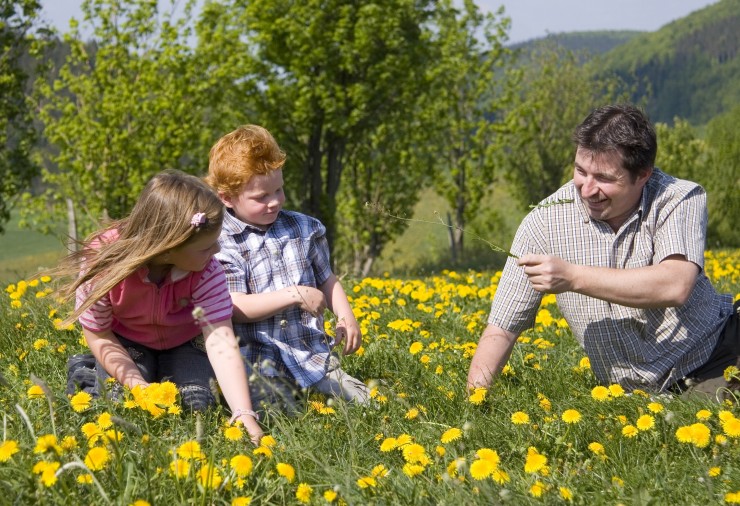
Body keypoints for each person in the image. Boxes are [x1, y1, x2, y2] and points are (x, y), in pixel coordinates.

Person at [467, 104, 738, 400]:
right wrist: (474, 402)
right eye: (580, 171)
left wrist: (572, 277)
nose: (587, 189)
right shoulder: (544, 221)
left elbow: (676, 284)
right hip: (632, 396)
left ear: (643, 174)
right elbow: (503, 327)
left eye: (604, 178)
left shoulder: (677, 198)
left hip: (714, 358)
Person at [60, 170, 263, 444]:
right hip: (126, 341)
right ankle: (88, 369)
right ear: (167, 249)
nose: (217, 252)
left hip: (185, 341)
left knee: (197, 403)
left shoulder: (207, 269)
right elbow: (99, 333)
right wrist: (137, 384)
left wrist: (243, 412)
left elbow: (220, 340)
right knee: (122, 403)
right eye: (206, 248)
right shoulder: (102, 264)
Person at [205, 125, 369, 415]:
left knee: (364, 404)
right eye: (260, 197)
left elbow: (327, 279)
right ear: (227, 198)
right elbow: (233, 306)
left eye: (279, 190)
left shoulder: (304, 228)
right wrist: (292, 295)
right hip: (259, 360)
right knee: (280, 415)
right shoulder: (221, 243)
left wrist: (346, 316)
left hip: (313, 355)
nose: (274, 201)